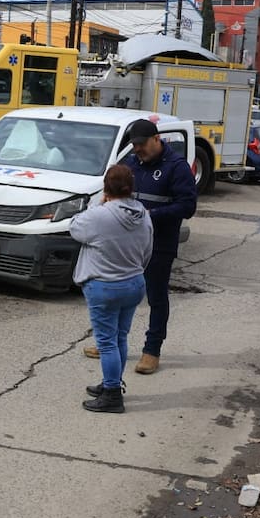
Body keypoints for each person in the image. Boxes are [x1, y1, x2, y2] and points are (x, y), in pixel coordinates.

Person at [83, 118, 197, 373]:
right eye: (134, 146)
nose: (138, 150)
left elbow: (188, 207)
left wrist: (149, 215)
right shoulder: (131, 163)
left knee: (156, 297)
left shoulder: (176, 167)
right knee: (119, 296)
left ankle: (152, 350)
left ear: (157, 139)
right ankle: (108, 343)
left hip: (159, 243)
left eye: (142, 145)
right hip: (127, 245)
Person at [71, 165, 152, 414]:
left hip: (104, 286)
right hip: (134, 283)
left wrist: (98, 203)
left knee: (106, 343)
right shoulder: (144, 215)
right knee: (120, 337)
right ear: (131, 189)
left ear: (106, 189)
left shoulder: (99, 215)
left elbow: (75, 228)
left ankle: (113, 396)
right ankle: (111, 382)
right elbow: (147, 251)